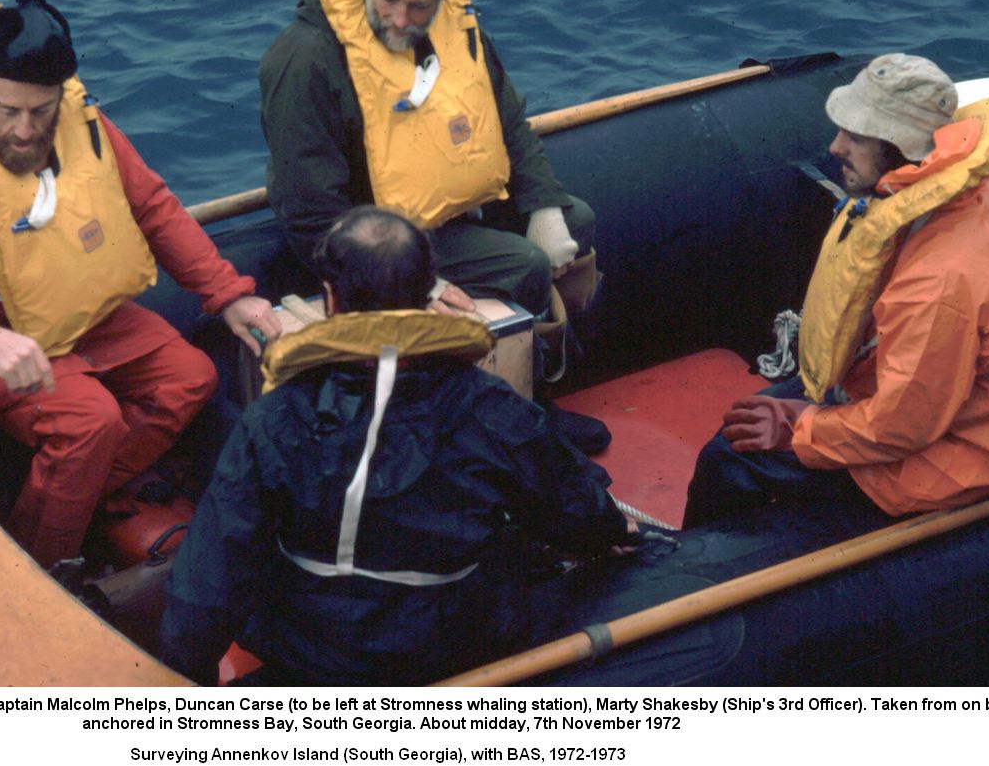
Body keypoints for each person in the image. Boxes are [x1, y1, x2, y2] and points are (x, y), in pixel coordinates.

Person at [0, 0, 280, 570]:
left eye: (41, 111)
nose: (26, 130)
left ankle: (79, 496)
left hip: (82, 315)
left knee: (192, 376)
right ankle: (44, 564)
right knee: (88, 423)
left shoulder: (84, 124)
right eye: (8, 110)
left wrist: (226, 295)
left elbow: (150, 204)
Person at [158, 206, 637, 685]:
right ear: (429, 295)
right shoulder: (491, 407)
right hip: (458, 642)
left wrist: (187, 680)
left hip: (312, 649)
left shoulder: (274, 417)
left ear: (330, 299)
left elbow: (212, 574)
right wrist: (615, 529)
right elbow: (573, 508)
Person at [684, 54, 989, 525]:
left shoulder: (935, 287)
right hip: (959, 390)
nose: (836, 146)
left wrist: (801, 429)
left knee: (728, 457)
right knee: (756, 413)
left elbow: (902, 428)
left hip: (954, 449)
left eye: (857, 136)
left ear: (900, 148)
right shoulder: (988, 197)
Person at [257, 0, 599, 332]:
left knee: (576, 220)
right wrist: (407, 279)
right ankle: (521, 376)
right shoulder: (306, 59)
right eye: (389, 0)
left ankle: (563, 351)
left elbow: (507, 122)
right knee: (524, 264)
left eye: (420, 7)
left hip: (448, 206)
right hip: (371, 238)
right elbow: (310, 210)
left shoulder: (458, 28)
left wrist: (543, 205)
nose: (401, 20)